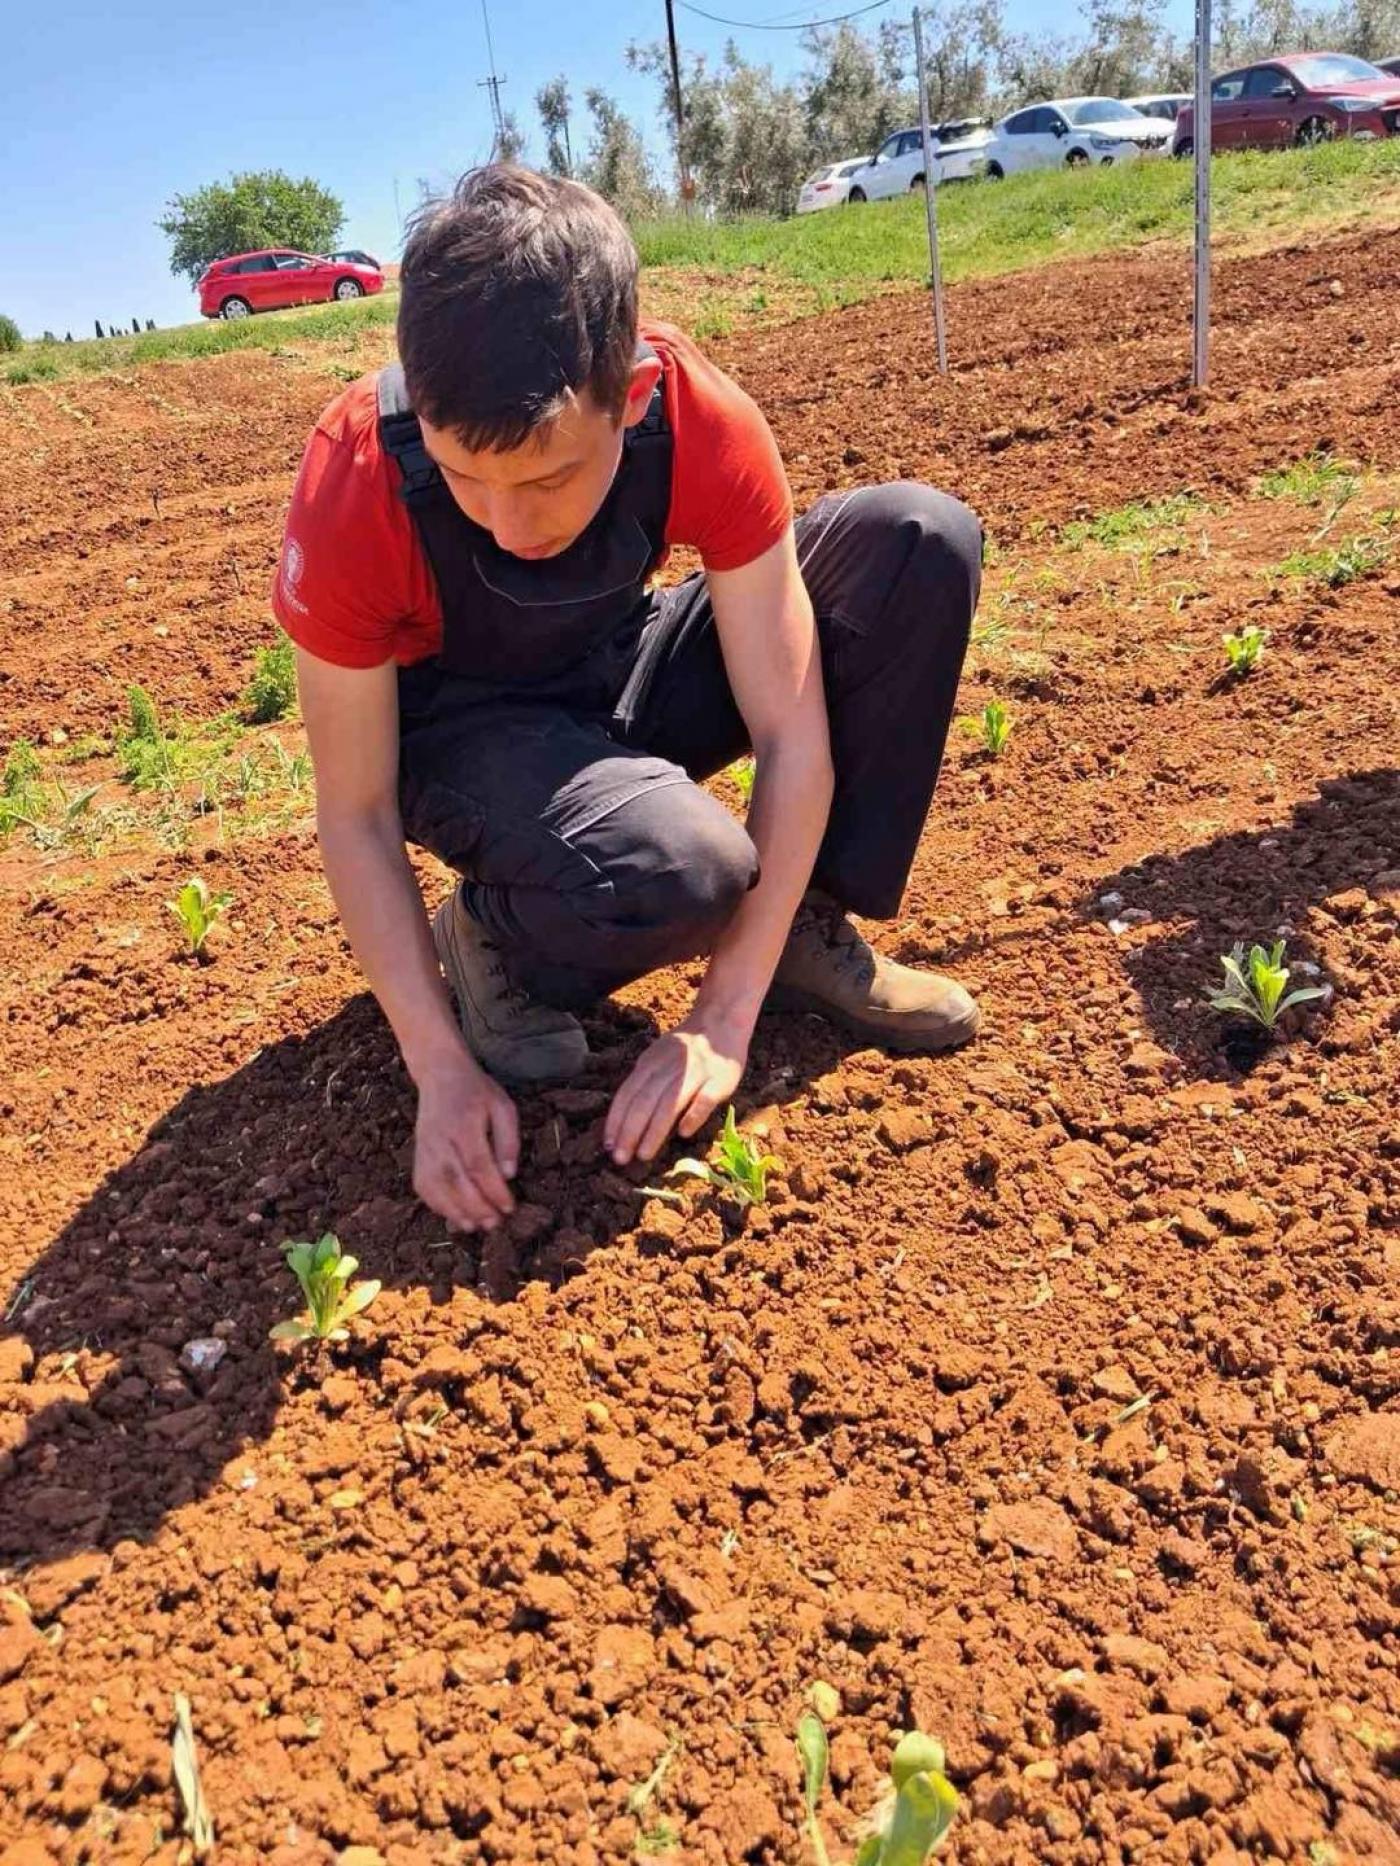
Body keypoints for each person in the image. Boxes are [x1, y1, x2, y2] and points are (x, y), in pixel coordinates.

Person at [273, 165, 984, 1239]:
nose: (508, 523)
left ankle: (789, 934)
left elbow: (789, 725)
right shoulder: (356, 477)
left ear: (632, 395)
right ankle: (495, 942)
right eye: (468, 479)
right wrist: (440, 1065)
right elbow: (356, 812)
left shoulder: (695, 414)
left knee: (914, 544)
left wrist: (724, 1011)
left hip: (615, 661)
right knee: (681, 870)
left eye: (549, 479)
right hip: (463, 732)